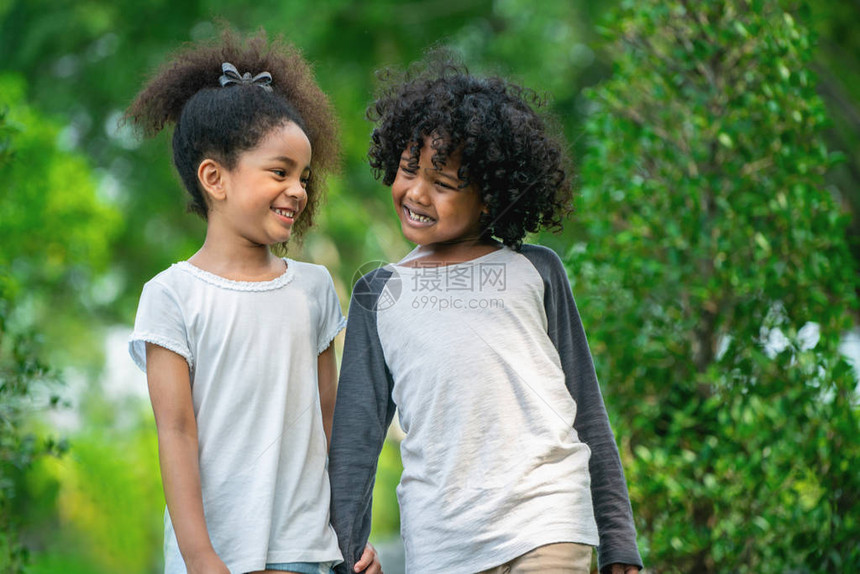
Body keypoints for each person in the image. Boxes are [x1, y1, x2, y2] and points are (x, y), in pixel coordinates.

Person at [329, 52, 643, 574]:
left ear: (491, 197)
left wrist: (619, 543)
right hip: (442, 541)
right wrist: (345, 549)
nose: (417, 193)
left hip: (548, 519)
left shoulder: (535, 271)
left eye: (444, 183)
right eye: (409, 170)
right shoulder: (379, 294)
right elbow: (357, 438)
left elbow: (587, 409)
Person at [125, 28, 380, 574]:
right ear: (215, 178)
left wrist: (353, 537)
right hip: (219, 558)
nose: (299, 190)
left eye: (304, 177)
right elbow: (176, 431)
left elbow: (330, 422)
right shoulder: (170, 296)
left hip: (307, 553)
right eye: (279, 172)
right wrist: (200, 557)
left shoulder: (312, 289)